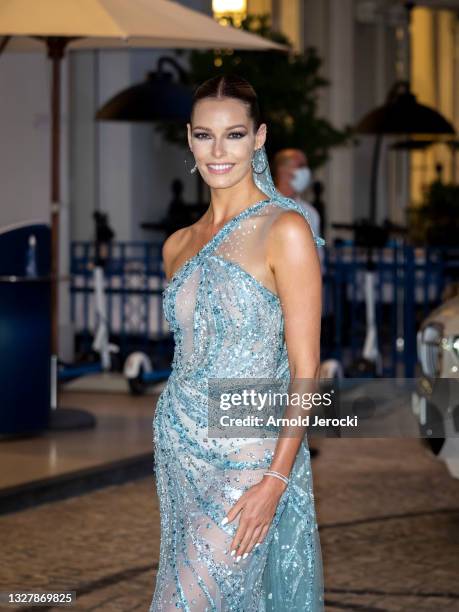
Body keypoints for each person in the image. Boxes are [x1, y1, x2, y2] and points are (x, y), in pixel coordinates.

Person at [150, 75, 325, 611]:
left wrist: (275, 480)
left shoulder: (284, 230)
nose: (218, 151)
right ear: (189, 139)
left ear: (259, 137)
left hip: (248, 459)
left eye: (234, 134)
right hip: (179, 456)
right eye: (205, 135)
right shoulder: (177, 244)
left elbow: (307, 367)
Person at [273, 150, 323, 458]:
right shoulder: (266, 206)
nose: (306, 171)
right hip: (272, 305)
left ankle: (295, 442)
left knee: (302, 371)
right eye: (300, 166)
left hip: (302, 306)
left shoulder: (310, 213)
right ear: (285, 170)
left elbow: (318, 265)